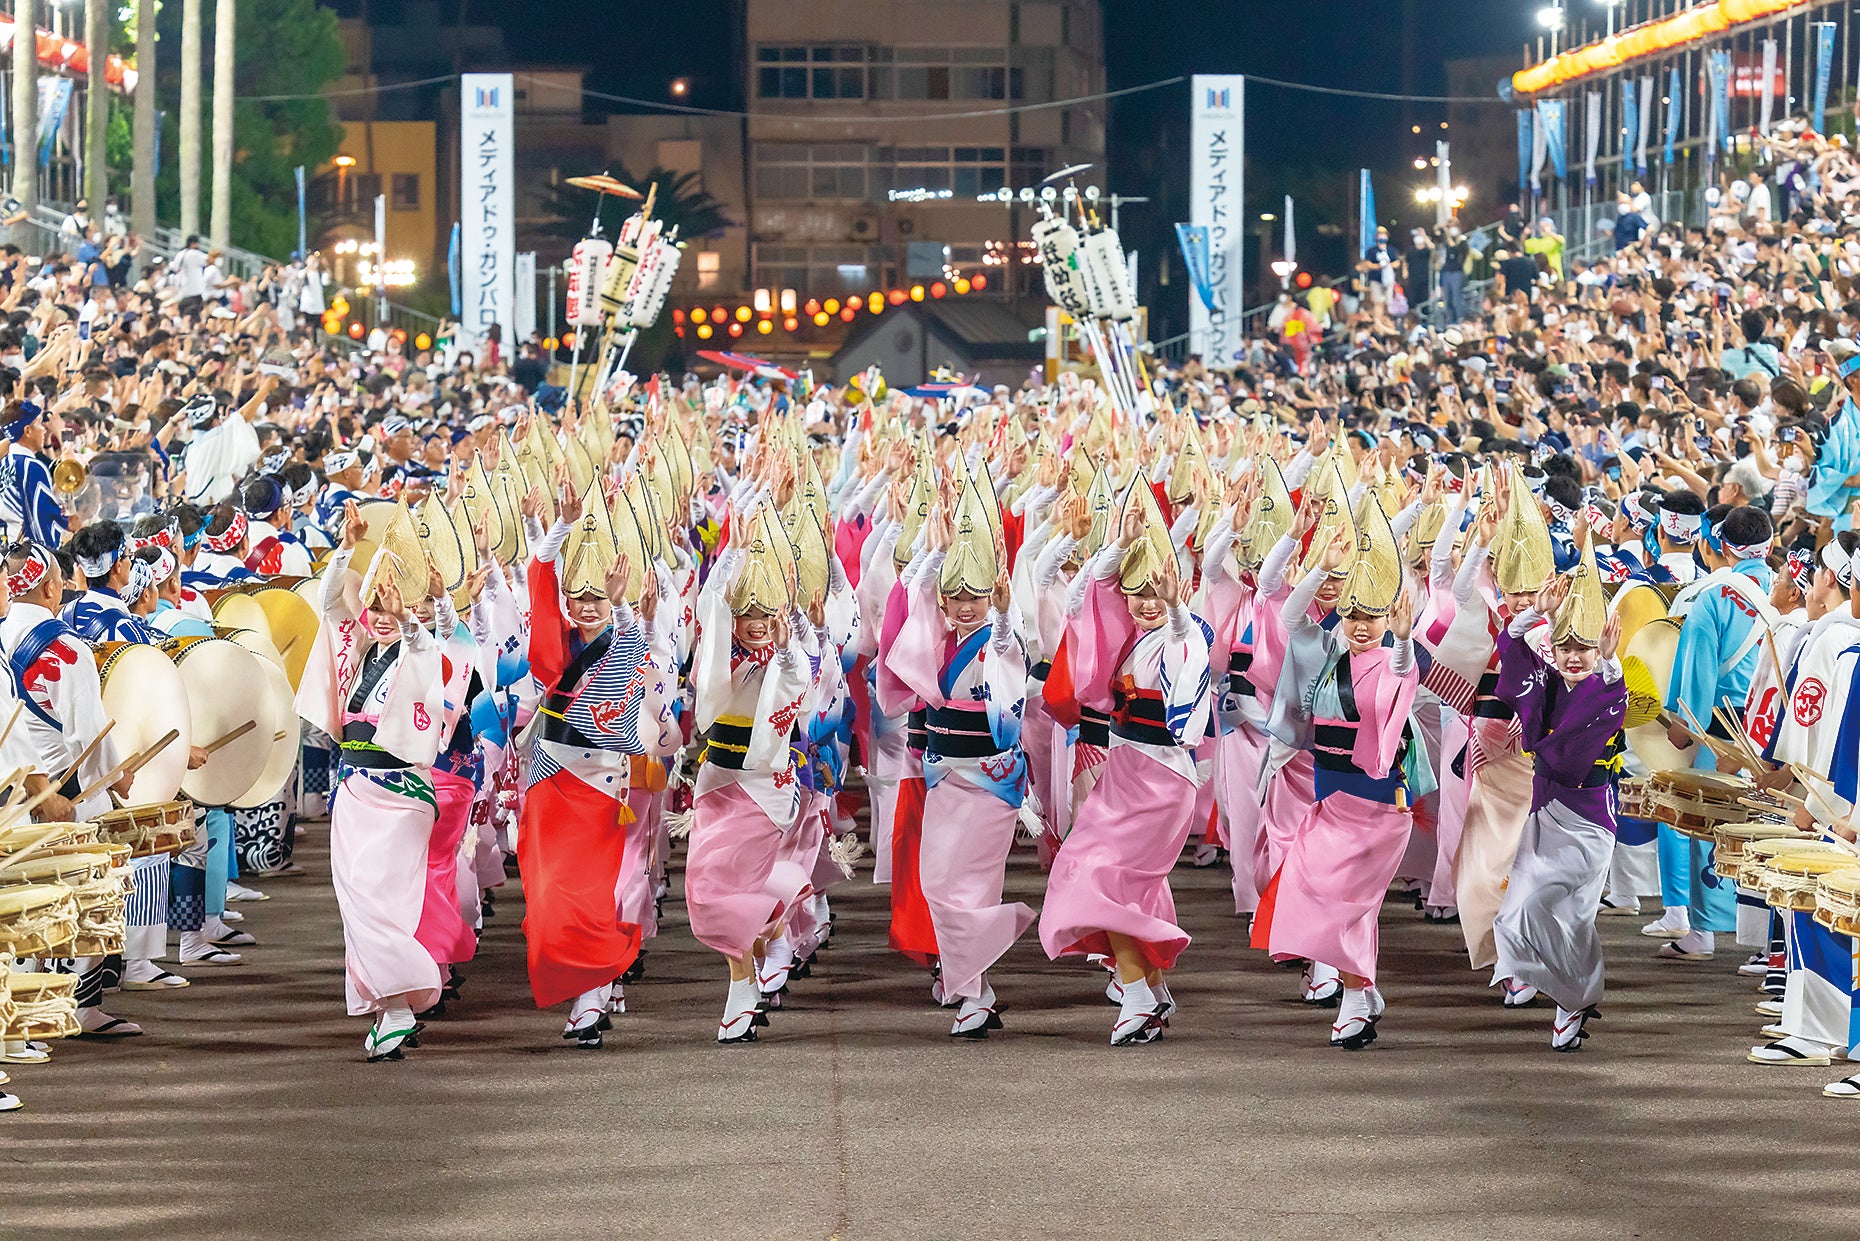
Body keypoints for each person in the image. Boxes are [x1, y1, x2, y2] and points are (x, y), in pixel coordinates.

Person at [1039, 484, 1213, 1045]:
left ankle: (1137, 994)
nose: (1144, 602)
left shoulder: (1187, 633)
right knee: (1114, 881)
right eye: (1134, 592)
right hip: (1125, 771)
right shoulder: (1129, 638)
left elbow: (1190, 650)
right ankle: (1148, 991)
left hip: (1161, 777)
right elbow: (1078, 601)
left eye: (1154, 592)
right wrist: (1118, 544)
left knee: (1096, 875)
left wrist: (1179, 606)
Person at [883, 464, 1035, 1038]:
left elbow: (1004, 644)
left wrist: (998, 610)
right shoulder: (938, 642)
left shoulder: (999, 638)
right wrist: (932, 547)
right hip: (945, 774)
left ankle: (973, 991)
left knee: (969, 886)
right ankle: (976, 985)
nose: (965, 606)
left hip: (991, 781)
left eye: (975, 596)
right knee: (936, 884)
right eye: (957, 597)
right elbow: (910, 603)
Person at [296, 502, 449, 1061]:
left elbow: (425, 637)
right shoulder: (354, 649)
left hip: (403, 795)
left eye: (393, 607)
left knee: (381, 899)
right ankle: (389, 1008)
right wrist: (346, 546)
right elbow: (327, 600)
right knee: (354, 899)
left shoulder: (421, 649)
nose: (381, 616)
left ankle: (403, 1003)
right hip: (355, 789)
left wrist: (411, 612)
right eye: (376, 606)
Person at [1489, 541, 1631, 1050]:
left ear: (1600, 649)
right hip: (1544, 813)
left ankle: (1570, 1003)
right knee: (1515, 915)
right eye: (1565, 647)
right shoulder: (1547, 682)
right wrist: (1534, 613)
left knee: (1572, 920)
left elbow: (1612, 695)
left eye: (1584, 649)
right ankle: (1559, 989)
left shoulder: (1612, 688)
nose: (1573, 657)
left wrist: (1611, 664)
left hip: (1591, 822)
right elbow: (1513, 650)